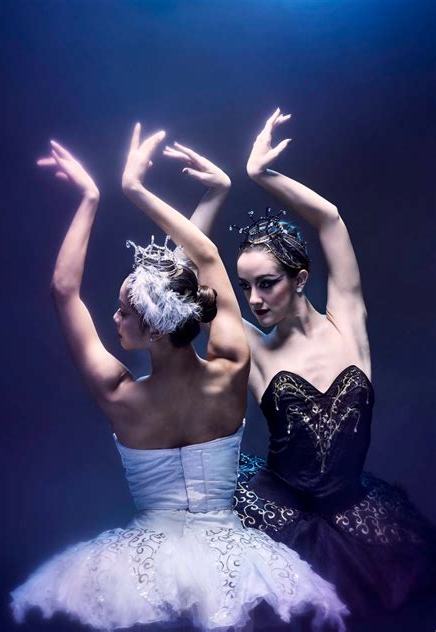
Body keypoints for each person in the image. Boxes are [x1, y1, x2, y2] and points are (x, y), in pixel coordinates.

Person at [10, 125, 348, 631]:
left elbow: (64, 290)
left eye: (124, 312)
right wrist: (139, 191)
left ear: (150, 330)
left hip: (142, 568)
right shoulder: (232, 368)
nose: (115, 316)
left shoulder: (119, 394)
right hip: (236, 558)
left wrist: (91, 197)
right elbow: (206, 258)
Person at [165, 108, 436, 619]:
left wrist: (261, 175)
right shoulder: (254, 349)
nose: (254, 299)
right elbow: (183, 282)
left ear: (301, 278)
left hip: (355, 513)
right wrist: (216, 192)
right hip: (283, 514)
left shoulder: (347, 322)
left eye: (266, 283)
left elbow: (330, 219)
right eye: (244, 287)